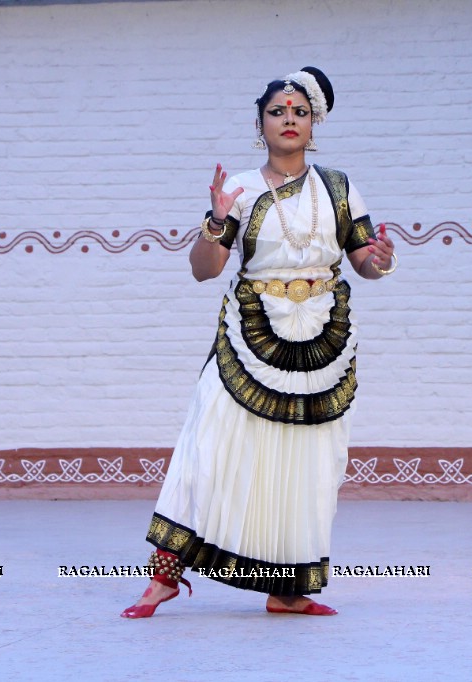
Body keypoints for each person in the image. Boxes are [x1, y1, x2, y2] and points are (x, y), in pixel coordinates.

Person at [120, 66, 397, 618]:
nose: (288, 120)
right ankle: (165, 577)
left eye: (299, 112)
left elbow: (367, 262)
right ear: (260, 123)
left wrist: (382, 261)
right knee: (208, 446)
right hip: (251, 332)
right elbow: (205, 270)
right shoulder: (240, 189)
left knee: (308, 461)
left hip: (323, 336)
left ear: (313, 123)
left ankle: (289, 590)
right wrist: (216, 223)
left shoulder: (339, 187)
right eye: (278, 112)